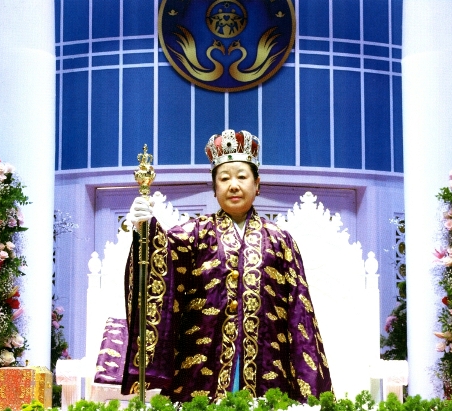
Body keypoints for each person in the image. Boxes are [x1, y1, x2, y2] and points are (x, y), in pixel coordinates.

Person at [121, 129, 332, 402]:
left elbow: (300, 315)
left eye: (242, 177)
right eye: (224, 178)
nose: (233, 185)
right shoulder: (194, 234)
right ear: (214, 187)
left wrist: (310, 391)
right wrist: (144, 229)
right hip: (200, 373)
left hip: (268, 369)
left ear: (257, 184)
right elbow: (160, 263)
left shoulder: (281, 241)